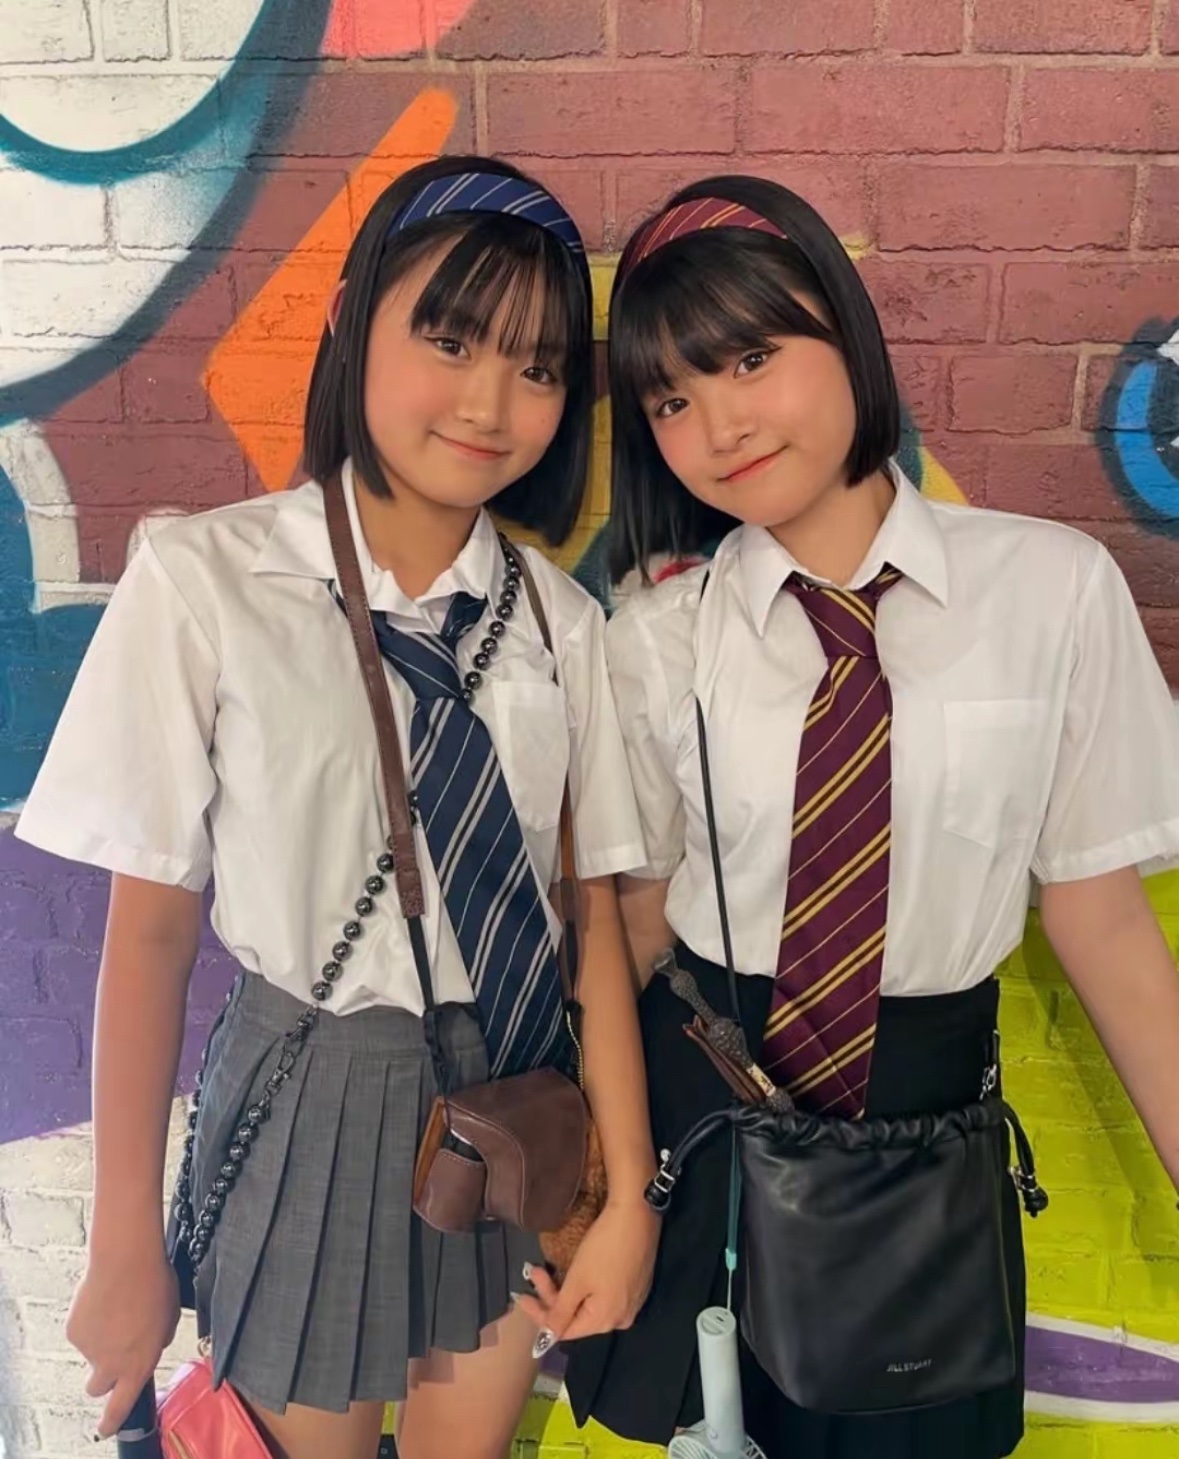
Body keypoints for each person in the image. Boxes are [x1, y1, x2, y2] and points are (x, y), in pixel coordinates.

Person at [16, 156, 660, 1459]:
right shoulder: (208, 580)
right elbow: (149, 935)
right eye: (450, 340)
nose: (489, 402)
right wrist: (123, 1240)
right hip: (312, 1090)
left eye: (537, 367)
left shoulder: (561, 622)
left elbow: (586, 916)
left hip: (513, 1103)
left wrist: (628, 1196)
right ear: (352, 322)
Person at [556, 177, 1179, 1459]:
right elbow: (630, 928)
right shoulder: (658, 640)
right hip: (712, 1116)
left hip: (924, 1142)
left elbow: (1103, 919)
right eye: (671, 400)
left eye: (750, 358)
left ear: (847, 331)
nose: (720, 423)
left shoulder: (1052, 591)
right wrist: (603, 1186)